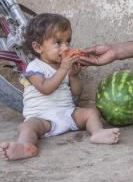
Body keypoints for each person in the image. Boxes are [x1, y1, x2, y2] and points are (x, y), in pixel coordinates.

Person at [0, 13, 120, 161]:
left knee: (91, 112)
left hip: (67, 114)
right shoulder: (34, 67)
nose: (65, 47)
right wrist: (64, 70)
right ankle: (25, 146)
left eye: (67, 42)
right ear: (38, 47)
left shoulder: (64, 66)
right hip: (42, 118)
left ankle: (97, 133)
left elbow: (76, 93)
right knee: (27, 127)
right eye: (58, 43)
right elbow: (45, 88)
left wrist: (74, 76)